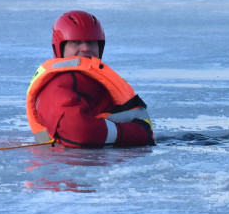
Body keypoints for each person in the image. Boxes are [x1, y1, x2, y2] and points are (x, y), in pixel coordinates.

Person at [26, 10, 156, 148]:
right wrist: (137, 134)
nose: (86, 49)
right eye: (75, 42)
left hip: (101, 161)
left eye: (92, 42)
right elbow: (79, 132)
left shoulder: (88, 80)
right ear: (59, 47)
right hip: (72, 165)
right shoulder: (58, 86)